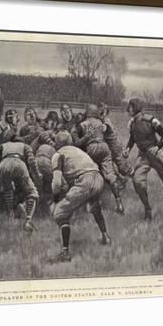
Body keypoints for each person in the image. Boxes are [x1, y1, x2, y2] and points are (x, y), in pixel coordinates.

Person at [49, 131, 111, 262]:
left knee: (60, 213)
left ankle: (65, 253)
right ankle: (106, 237)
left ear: (58, 143)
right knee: (94, 207)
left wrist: (55, 201)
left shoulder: (58, 154)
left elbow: (57, 183)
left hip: (84, 180)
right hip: (98, 178)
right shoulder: (78, 150)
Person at [123, 98, 163, 221]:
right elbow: (132, 139)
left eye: (130, 107)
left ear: (135, 107)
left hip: (154, 153)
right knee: (137, 182)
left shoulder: (151, 120)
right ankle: (147, 209)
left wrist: (157, 148)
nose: (128, 109)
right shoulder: (132, 124)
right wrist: (127, 149)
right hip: (142, 156)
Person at [72, 104, 125, 214]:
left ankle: (90, 203)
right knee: (110, 175)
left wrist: (80, 136)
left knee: (88, 174)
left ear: (87, 112)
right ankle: (119, 203)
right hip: (104, 147)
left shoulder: (84, 124)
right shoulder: (101, 123)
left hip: (92, 148)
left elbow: (76, 141)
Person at [0, 141, 41, 234]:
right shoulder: (25, 145)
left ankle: (10, 214)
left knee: (8, 191)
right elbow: (32, 160)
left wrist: (0, 161)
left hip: (4, 164)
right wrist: (37, 174)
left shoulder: (4, 144)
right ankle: (28, 220)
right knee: (32, 193)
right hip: (19, 163)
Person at [98, 102, 133, 184]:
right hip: (111, 145)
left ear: (105, 113)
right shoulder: (103, 120)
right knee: (112, 163)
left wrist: (94, 129)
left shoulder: (106, 121)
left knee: (121, 164)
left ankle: (133, 177)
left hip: (114, 145)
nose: (101, 114)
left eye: (102, 112)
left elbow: (103, 129)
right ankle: (121, 179)